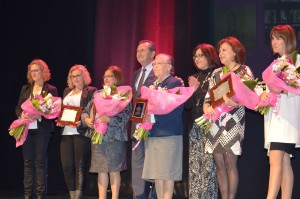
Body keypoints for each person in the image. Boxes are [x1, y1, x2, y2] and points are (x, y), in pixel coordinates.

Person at [203, 37, 254, 199]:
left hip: (233, 122)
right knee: (219, 165)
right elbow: (208, 97)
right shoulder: (216, 73)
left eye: (224, 50)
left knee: (230, 164)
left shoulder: (244, 71)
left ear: (235, 52)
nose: (220, 53)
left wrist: (236, 103)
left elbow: (250, 98)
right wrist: (206, 107)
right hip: (215, 123)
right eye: (219, 51)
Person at [260, 24, 300, 199]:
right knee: (283, 162)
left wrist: (282, 91)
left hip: (287, 119)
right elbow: (271, 89)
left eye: (279, 38)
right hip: (275, 118)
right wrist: (263, 95)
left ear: (288, 40)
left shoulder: (296, 61)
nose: (274, 42)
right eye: (272, 38)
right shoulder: (275, 64)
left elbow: (296, 88)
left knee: (275, 160)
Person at [82, 66, 132, 199]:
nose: (106, 78)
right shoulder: (97, 94)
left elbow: (126, 116)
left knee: (114, 170)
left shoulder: (123, 94)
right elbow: (86, 110)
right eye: (104, 76)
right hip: (99, 137)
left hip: (115, 137)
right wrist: (86, 119)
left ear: (117, 78)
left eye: (109, 76)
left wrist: (109, 119)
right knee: (101, 170)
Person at [142, 53, 183, 199]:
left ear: (169, 66)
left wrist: (153, 116)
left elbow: (176, 110)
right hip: (154, 133)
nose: (155, 66)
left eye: (158, 63)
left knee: (167, 173)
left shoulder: (174, 83)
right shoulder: (152, 85)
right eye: (154, 64)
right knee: (157, 173)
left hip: (169, 133)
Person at [15, 59, 58, 199]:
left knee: (40, 162)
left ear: (43, 72)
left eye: (36, 70)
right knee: (28, 162)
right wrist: (21, 114)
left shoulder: (50, 89)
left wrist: (39, 115)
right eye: (31, 71)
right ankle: (27, 194)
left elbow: (53, 111)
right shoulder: (25, 89)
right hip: (26, 128)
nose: (33, 73)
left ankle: (40, 194)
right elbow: (18, 107)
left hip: (42, 129)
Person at [56, 65, 97, 199]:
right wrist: (60, 120)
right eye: (73, 76)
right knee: (67, 166)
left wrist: (83, 121)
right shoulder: (66, 91)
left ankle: (78, 196)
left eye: (78, 75)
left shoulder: (91, 91)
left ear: (84, 76)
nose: (75, 79)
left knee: (80, 166)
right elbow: (63, 111)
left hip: (81, 132)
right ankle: (72, 194)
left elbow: (92, 111)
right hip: (66, 132)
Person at [186, 44, 220, 199]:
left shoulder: (216, 75)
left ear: (210, 57)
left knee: (208, 168)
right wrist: (190, 91)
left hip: (210, 126)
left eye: (201, 55)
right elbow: (187, 106)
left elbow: (214, 99)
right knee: (195, 168)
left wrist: (198, 89)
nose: (197, 59)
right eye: (195, 56)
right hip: (195, 127)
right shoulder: (195, 77)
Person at [131, 40, 157, 199]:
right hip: (136, 123)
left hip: (152, 124)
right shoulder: (136, 73)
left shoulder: (159, 71)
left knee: (153, 162)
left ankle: (154, 195)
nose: (138, 53)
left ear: (153, 54)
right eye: (137, 51)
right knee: (137, 162)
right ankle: (138, 195)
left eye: (142, 50)